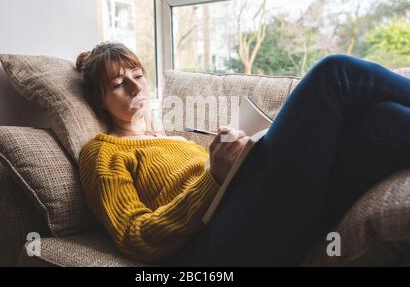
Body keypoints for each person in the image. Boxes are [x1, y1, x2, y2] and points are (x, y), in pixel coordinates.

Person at [77, 42, 410, 266]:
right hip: (213, 249)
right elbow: (133, 236)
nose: (136, 87)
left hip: (261, 213)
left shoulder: (174, 140)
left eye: (138, 76)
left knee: (386, 120)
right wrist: (213, 177)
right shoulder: (101, 152)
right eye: (120, 83)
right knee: (335, 73)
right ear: (100, 101)